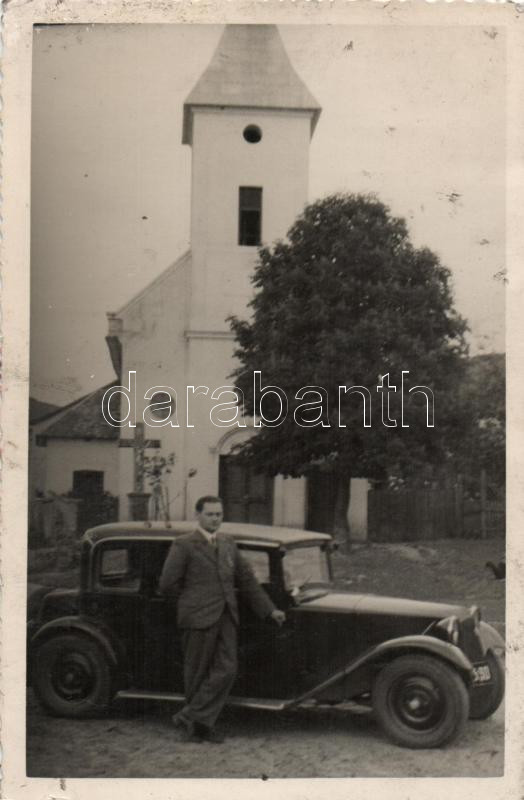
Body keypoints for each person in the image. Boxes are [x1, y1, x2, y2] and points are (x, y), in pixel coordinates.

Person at [158, 495, 286, 743]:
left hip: (226, 615)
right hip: (197, 617)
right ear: (197, 515)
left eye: (219, 514)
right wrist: (191, 604)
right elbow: (167, 585)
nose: (215, 519)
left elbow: (247, 580)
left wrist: (270, 610)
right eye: (210, 514)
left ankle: (190, 715)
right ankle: (200, 728)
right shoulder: (184, 545)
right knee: (197, 673)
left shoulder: (228, 543)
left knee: (227, 669)